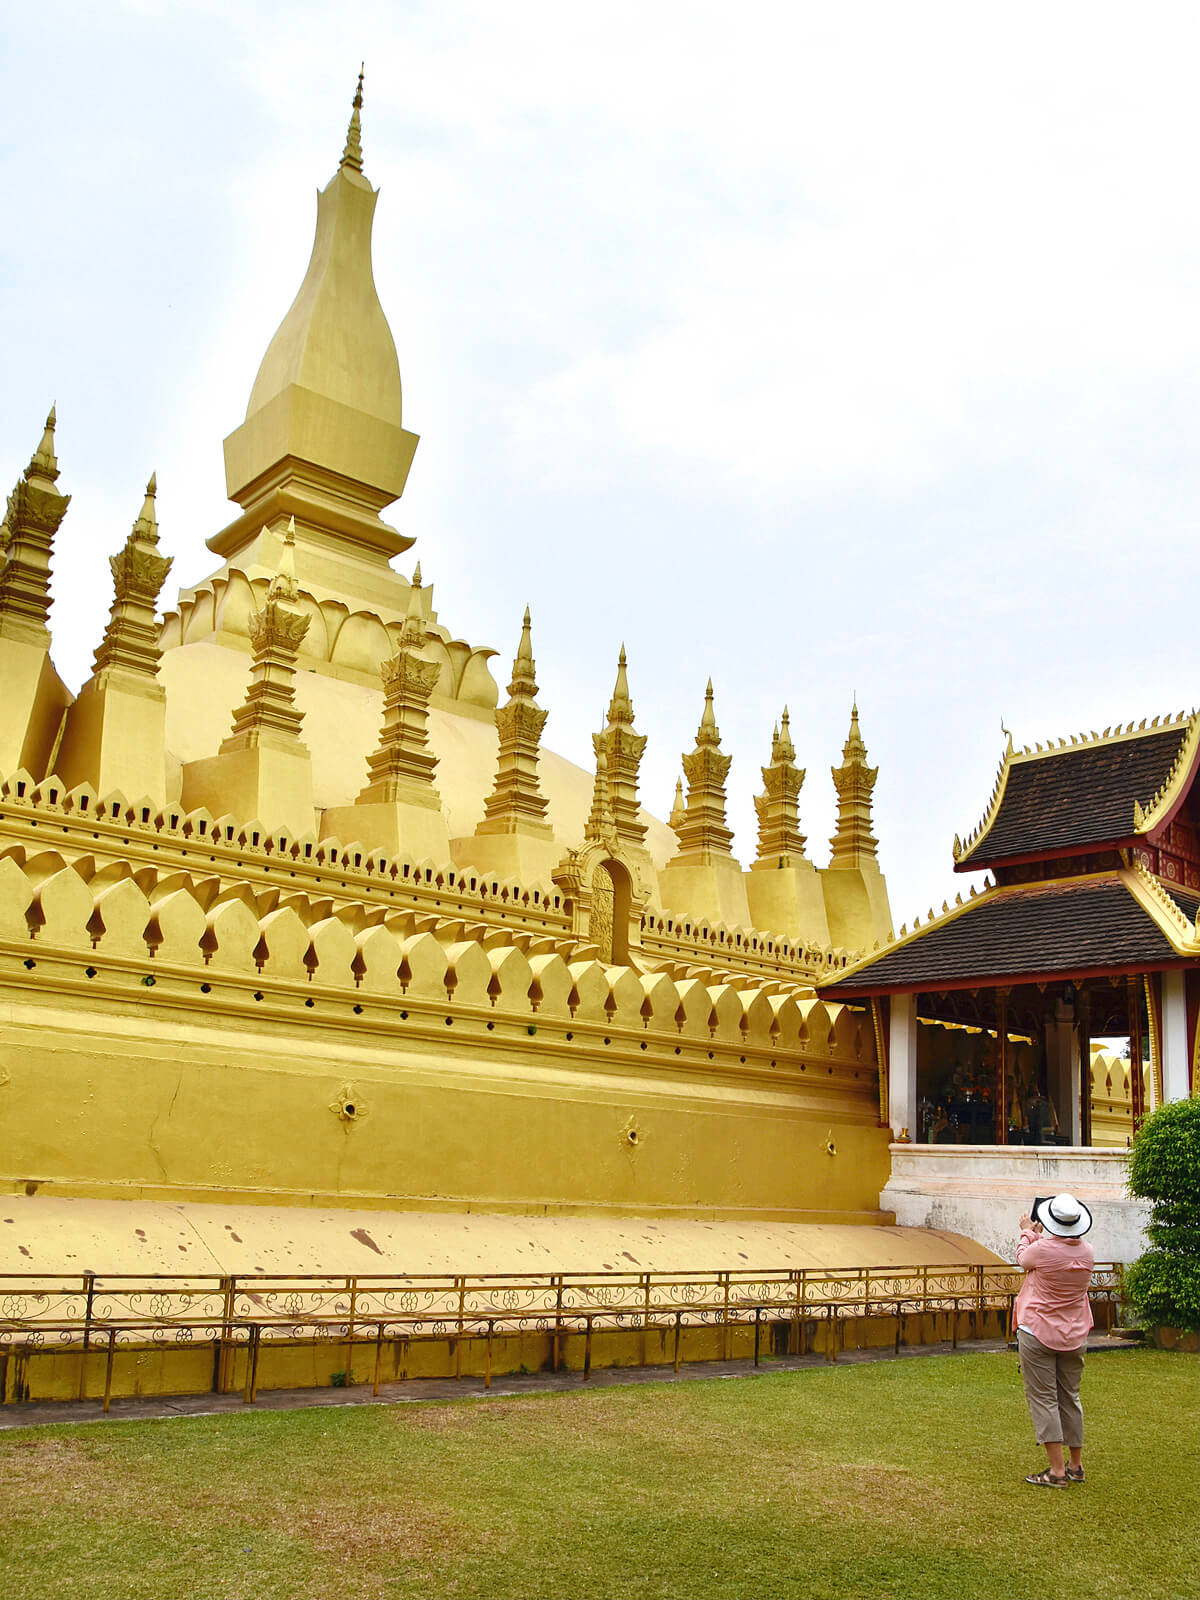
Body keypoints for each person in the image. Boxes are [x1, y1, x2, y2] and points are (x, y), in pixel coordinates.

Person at [1013, 1192, 1095, 1487]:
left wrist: (1026, 1231)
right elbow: (1054, 1253)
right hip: (1074, 1333)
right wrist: (1038, 1238)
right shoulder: (1087, 1252)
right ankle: (1075, 1465)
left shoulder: (1043, 1250)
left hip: (1038, 1330)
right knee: (1070, 1398)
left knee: (1044, 1399)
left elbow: (1025, 1259)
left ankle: (1057, 1470)